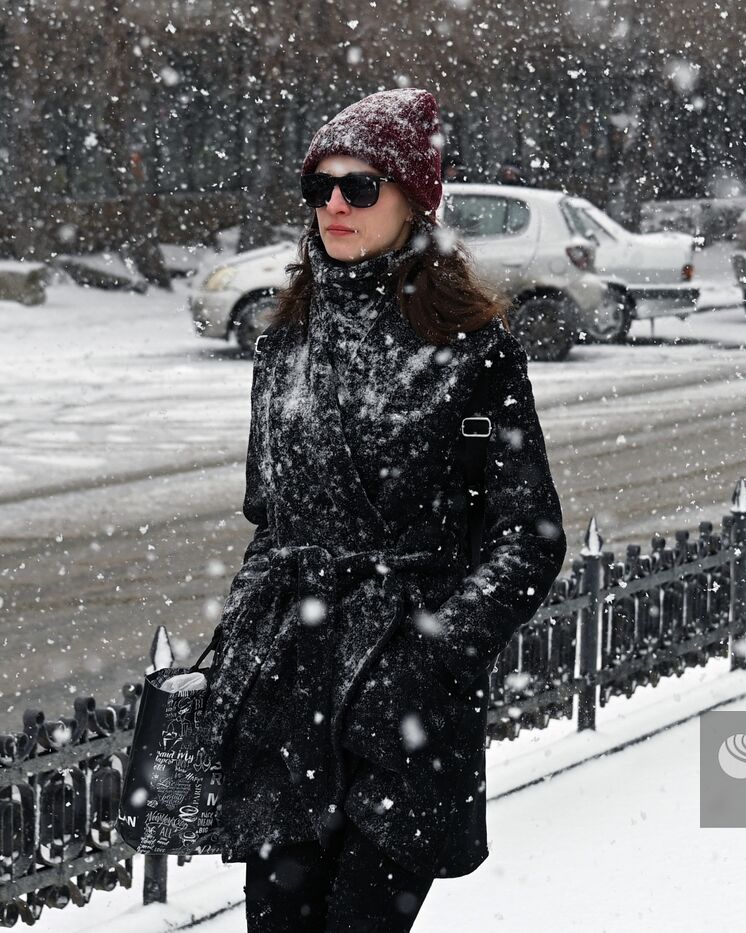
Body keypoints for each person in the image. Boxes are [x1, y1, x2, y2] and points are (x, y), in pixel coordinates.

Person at [203, 88, 567, 932]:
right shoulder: (284, 345)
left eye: (360, 186)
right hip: (290, 699)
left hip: (402, 710)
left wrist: (432, 651)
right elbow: (271, 521)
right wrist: (237, 650)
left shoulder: (473, 352)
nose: (335, 203)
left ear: (411, 200)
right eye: (320, 187)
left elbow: (527, 535)